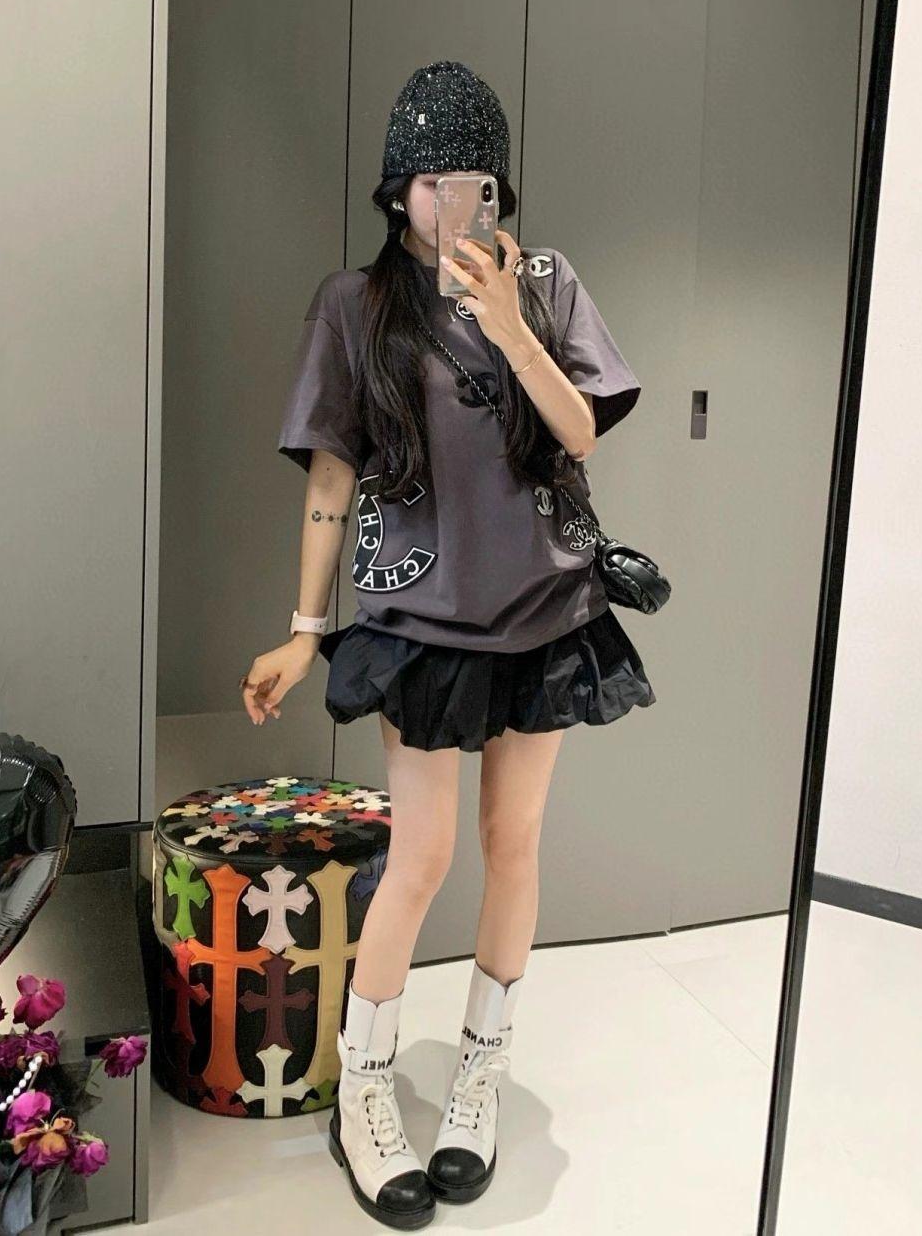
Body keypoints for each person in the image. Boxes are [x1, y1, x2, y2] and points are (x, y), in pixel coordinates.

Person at [240, 61, 655, 1228]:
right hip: (420, 621)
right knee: (420, 857)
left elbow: (580, 431)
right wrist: (302, 632)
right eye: (430, 180)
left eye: (473, 179)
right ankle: (364, 1090)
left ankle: (480, 1072)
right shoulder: (355, 305)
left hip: (546, 611)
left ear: (499, 187)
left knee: (513, 846)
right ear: (396, 188)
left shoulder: (549, 285)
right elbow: (332, 478)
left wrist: (510, 324)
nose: (450, 202)